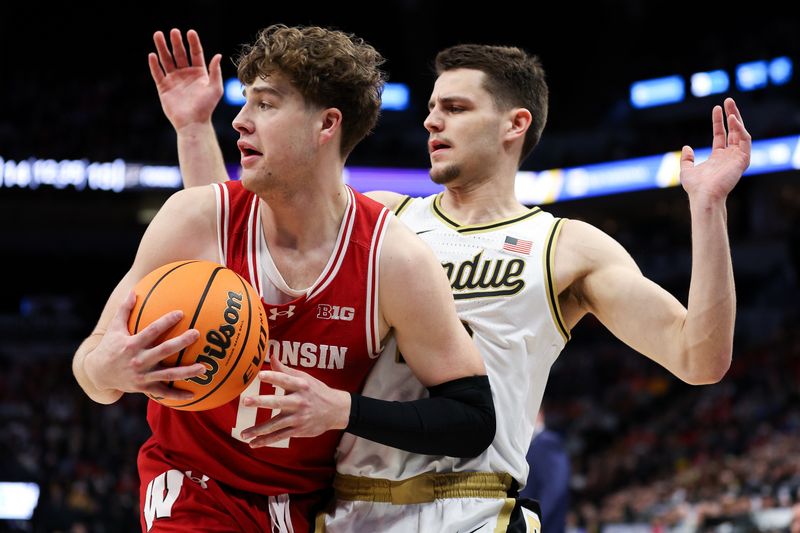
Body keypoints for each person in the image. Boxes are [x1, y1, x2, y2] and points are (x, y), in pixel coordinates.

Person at [156, 30, 750, 532]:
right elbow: (228, 241)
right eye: (433, 107)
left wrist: (708, 209)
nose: (431, 120)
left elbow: (699, 359)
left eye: (457, 109)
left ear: (515, 124)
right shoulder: (384, 218)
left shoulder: (567, 246)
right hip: (346, 507)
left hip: (475, 506)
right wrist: (193, 129)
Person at [72, 25, 497, 533]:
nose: (240, 121)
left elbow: (473, 420)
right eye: (245, 102)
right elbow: (89, 364)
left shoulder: (394, 258)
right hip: (192, 483)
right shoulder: (195, 218)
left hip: (309, 506)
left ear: (327, 124)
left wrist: (343, 409)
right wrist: (109, 373)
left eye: (266, 105)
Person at [519, 410, 570, 533]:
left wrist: (534, 522)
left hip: (543, 527)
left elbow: (554, 490)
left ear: (538, 414)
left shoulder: (548, 443)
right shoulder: (529, 445)